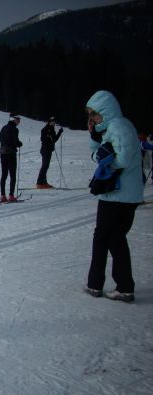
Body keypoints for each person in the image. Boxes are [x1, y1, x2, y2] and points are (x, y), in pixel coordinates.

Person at [83, 90, 144, 302]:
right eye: (91, 116)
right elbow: (98, 156)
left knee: (104, 237)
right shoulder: (113, 128)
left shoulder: (119, 126)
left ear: (107, 111)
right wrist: (95, 140)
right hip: (118, 193)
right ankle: (121, 285)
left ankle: (98, 284)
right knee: (114, 239)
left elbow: (123, 159)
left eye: (96, 115)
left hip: (118, 194)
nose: (93, 119)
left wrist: (107, 160)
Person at [0, 114, 23, 202]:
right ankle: (11, 195)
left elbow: (0, 138)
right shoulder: (15, 129)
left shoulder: (4, 127)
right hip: (11, 153)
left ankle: (2, 195)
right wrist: (19, 144)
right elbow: (14, 141)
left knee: (4, 174)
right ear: (14, 120)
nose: (19, 121)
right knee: (12, 174)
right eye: (18, 120)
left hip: (3, 153)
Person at [36, 117, 63, 188]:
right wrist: (47, 137)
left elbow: (54, 140)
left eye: (54, 122)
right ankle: (39, 183)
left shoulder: (52, 129)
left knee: (46, 166)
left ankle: (44, 182)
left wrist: (60, 132)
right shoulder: (45, 129)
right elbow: (42, 139)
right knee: (44, 166)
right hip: (45, 149)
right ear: (49, 122)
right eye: (52, 121)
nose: (53, 123)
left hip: (49, 150)